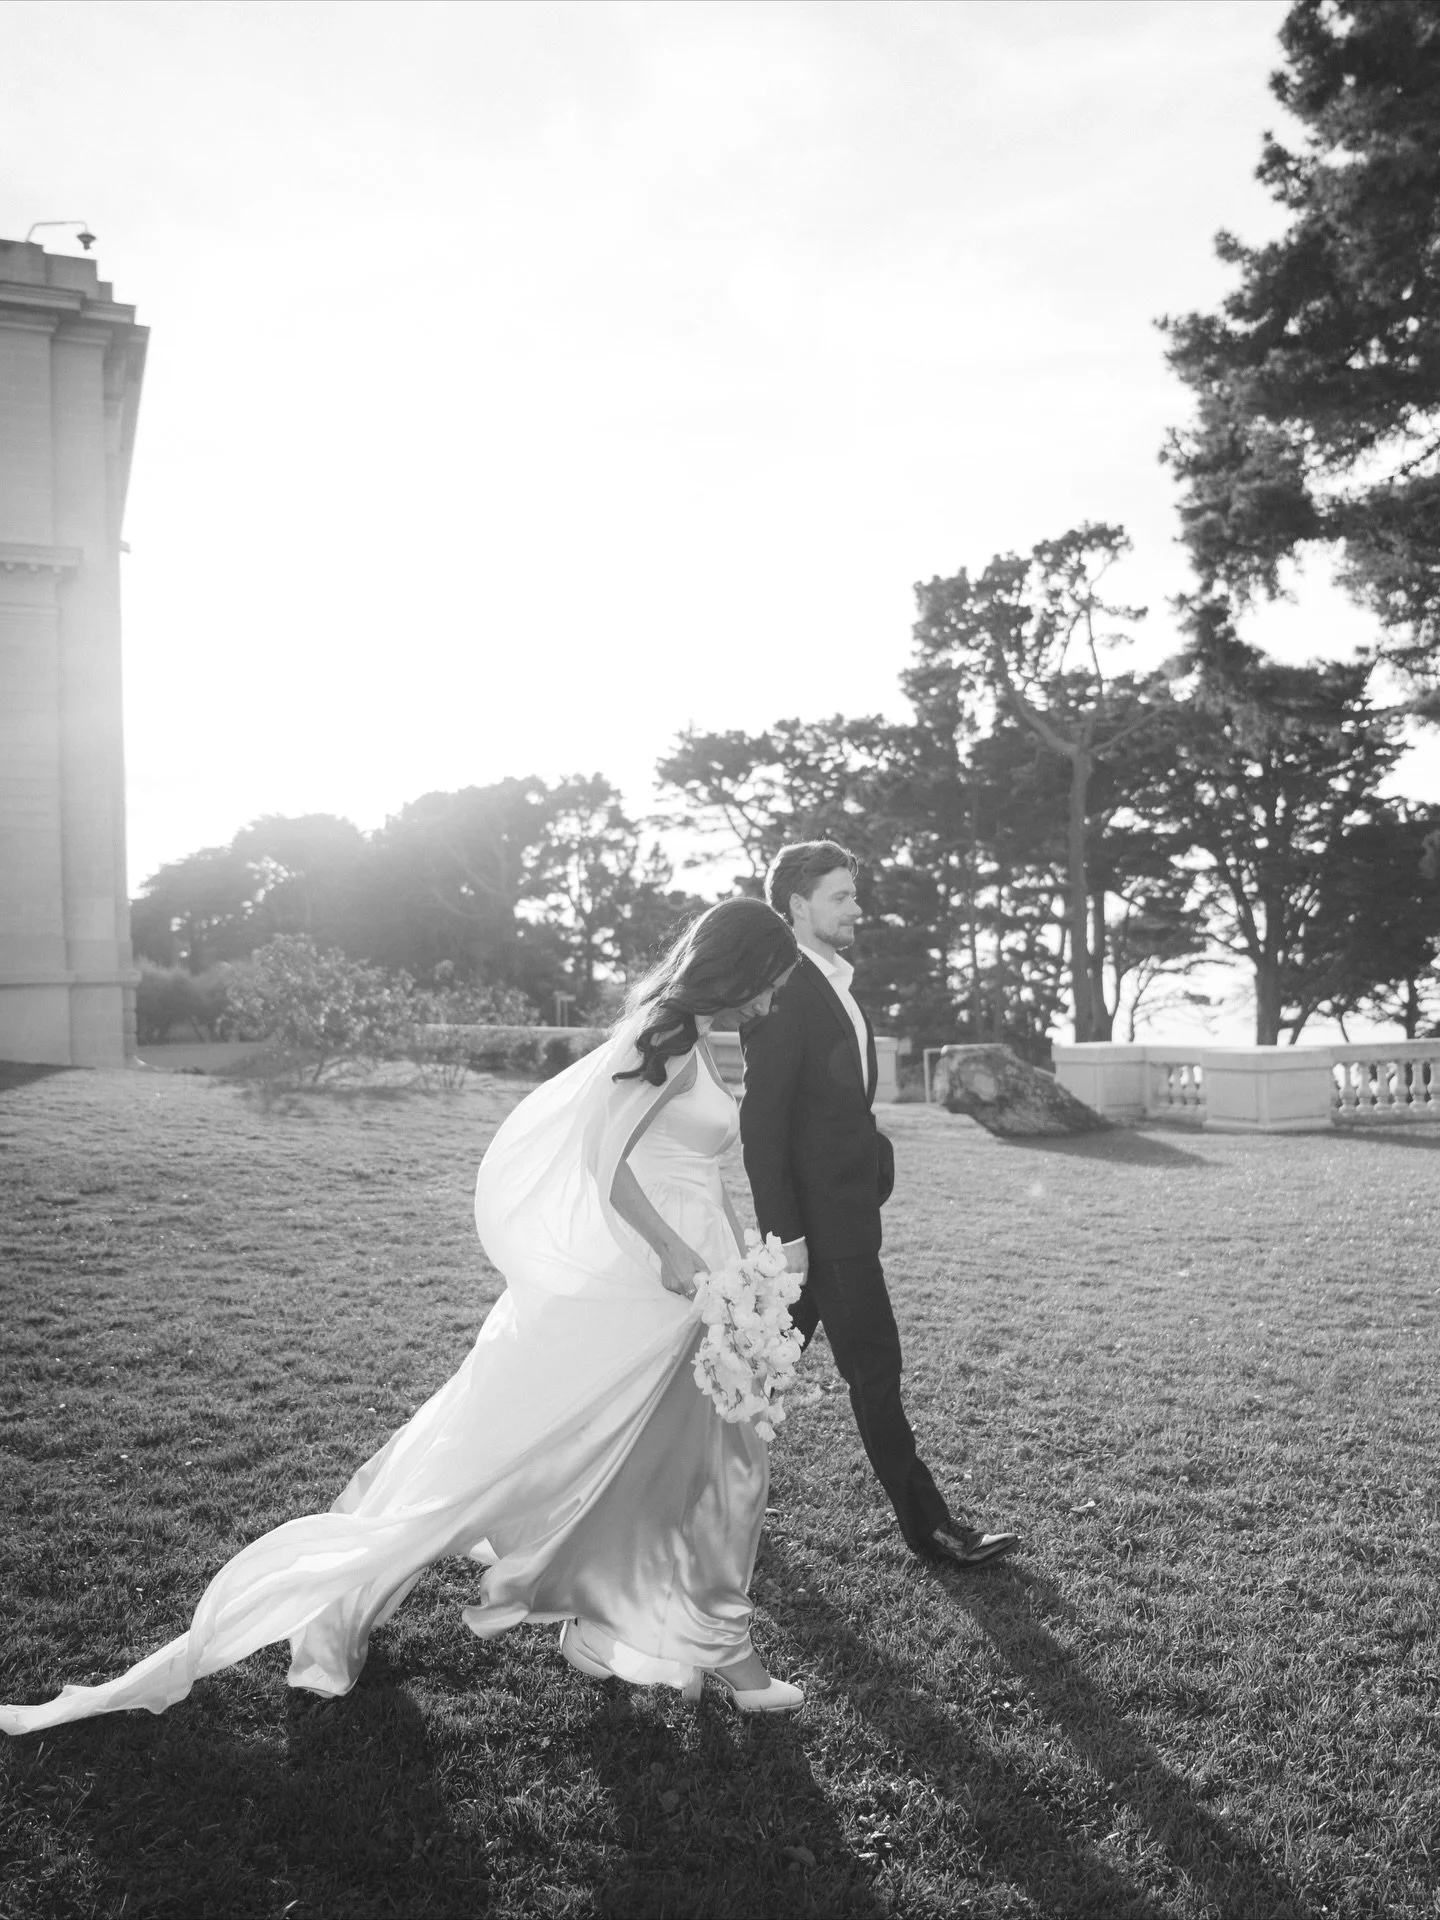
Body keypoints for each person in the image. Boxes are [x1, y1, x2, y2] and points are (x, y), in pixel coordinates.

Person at [1, 898, 806, 1739]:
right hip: (652, 1281)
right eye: (770, 984)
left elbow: (702, 1166)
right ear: (737, 967)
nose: (771, 1003)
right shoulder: (665, 1035)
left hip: (700, 1281)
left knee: (667, 1461)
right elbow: (602, 1162)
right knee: (513, 1455)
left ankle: (616, 1629)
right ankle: (348, 1599)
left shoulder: (708, 1040)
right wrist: (678, 1254)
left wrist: (743, 1258)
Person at [739, 840, 1019, 1571]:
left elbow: (832, 1106)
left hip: (843, 1214)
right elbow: (762, 1125)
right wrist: (787, 1235)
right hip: (820, 1234)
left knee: (756, 1374)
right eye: (840, 896)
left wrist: (874, 1155)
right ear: (797, 907)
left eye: (854, 894)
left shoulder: (832, 980)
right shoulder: (785, 989)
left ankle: (685, 1494)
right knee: (873, 1372)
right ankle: (933, 1529)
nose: (856, 908)